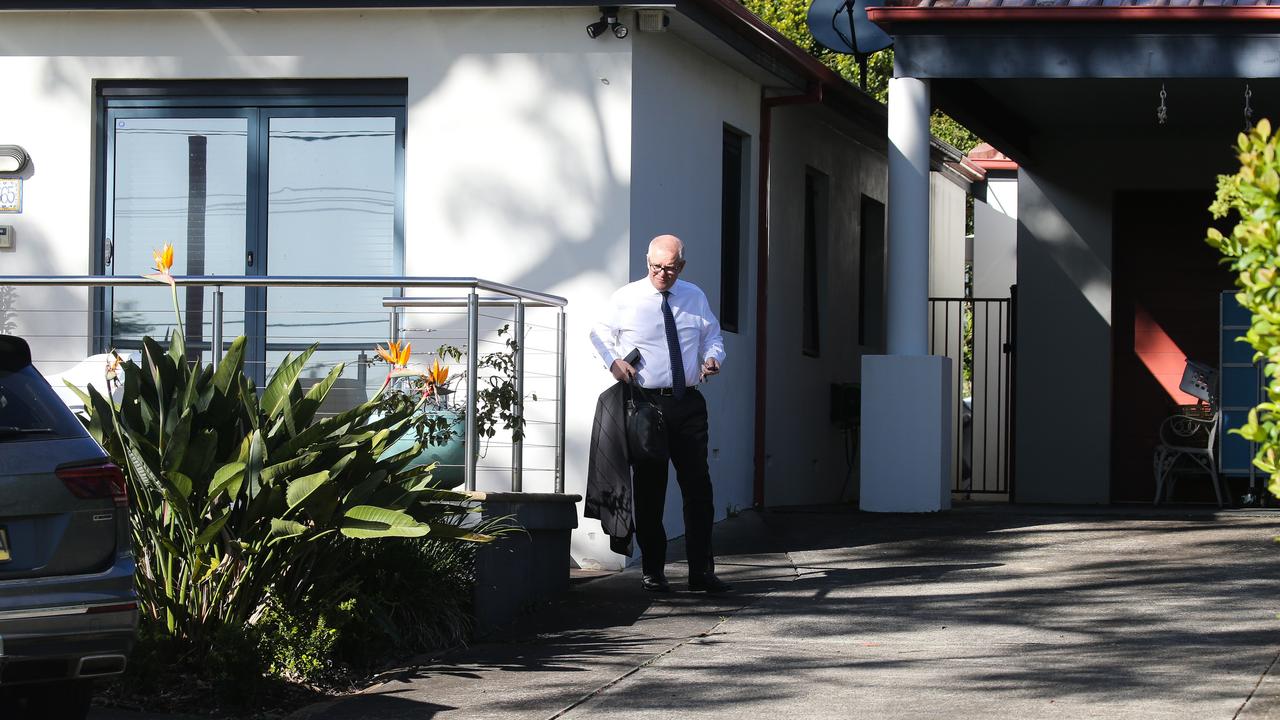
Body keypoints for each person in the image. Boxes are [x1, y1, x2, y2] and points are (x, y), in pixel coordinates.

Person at [588, 234, 731, 594]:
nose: (662, 274)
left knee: (698, 487)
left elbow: (713, 337)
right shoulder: (627, 297)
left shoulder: (694, 296)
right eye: (655, 267)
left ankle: (702, 571)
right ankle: (654, 570)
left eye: (669, 268)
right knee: (651, 488)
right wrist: (613, 362)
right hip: (646, 405)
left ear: (681, 266)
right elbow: (598, 334)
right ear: (646, 262)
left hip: (687, 402)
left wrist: (714, 357)